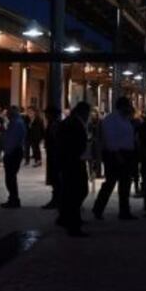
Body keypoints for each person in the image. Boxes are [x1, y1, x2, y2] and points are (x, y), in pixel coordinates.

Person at [93, 97, 137, 221]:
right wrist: (118, 155)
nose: (130, 108)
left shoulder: (126, 119)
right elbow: (110, 139)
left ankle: (124, 211)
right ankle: (98, 208)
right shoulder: (111, 120)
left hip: (126, 154)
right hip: (115, 155)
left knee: (125, 185)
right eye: (128, 105)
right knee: (110, 183)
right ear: (122, 106)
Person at [57, 102, 91, 237]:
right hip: (73, 162)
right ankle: (73, 224)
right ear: (82, 112)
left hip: (71, 161)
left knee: (71, 192)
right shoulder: (73, 123)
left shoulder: (70, 122)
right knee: (78, 191)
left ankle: (65, 218)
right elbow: (71, 144)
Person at [1, 106, 27, 208]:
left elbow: (12, 140)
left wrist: (7, 152)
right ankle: (13, 198)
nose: (7, 114)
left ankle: (14, 199)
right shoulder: (15, 122)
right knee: (11, 177)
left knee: (10, 177)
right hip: (14, 152)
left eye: (9, 113)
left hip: (13, 153)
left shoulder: (16, 123)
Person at [42, 106, 61, 210]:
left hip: (55, 155)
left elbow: (55, 140)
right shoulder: (54, 124)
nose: (46, 116)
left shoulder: (54, 125)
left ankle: (56, 200)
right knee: (55, 178)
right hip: (53, 154)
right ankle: (56, 199)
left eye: (47, 114)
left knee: (56, 178)